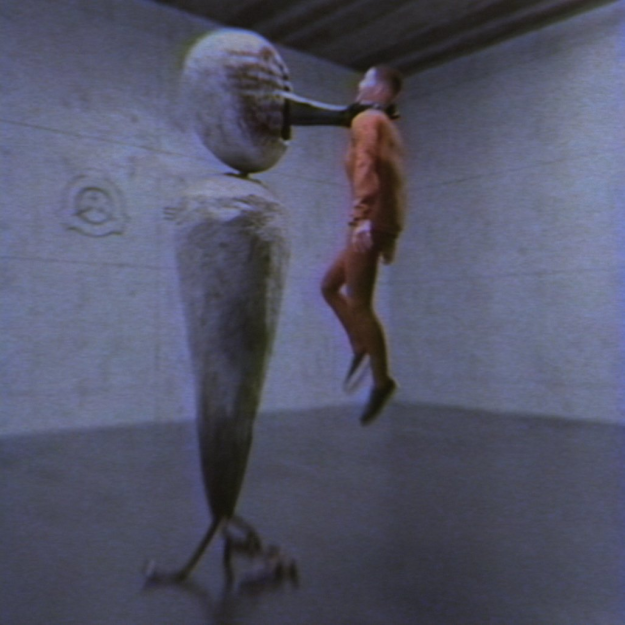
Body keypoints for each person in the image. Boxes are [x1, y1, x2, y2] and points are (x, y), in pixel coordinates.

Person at [321, 65, 406, 426]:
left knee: (359, 303)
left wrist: (361, 218)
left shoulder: (368, 120)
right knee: (329, 286)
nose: (359, 84)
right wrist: (391, 233)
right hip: (380, 222)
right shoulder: (384, 124)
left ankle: (382, 381)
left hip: (368, 221)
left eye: (367, 80)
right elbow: (396, 181)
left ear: (382, 91)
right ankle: (359, 343)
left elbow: (366, 166)